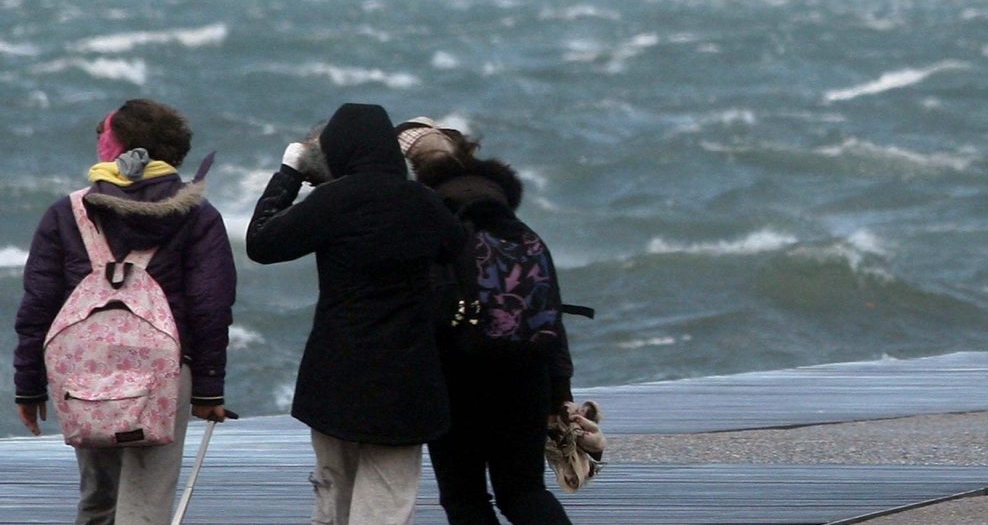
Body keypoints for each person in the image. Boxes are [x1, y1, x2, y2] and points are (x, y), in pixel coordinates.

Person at [13, 98, 237, 525]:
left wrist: (29, 385)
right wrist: (209, 390)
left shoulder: (68, 213)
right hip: (167, 373)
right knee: (147, 502)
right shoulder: (199, 216)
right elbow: (211, 306)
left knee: (98, 498)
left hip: (84, 371)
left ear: (115, 148)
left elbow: (38, 305)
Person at [246, 103, 464, 525]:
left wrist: (290, 173)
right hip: (407, 379)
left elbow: (261, 242)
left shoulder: (332, 201)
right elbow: (458, 254)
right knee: (387, 501)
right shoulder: (426, 204)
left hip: (336, 375)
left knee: (333, 490)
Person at [395, 117, 579, 525]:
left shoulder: (433, 227)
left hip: (457, 378)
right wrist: (560, 391)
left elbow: (425, 312)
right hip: (527, 375)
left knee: (465, 498)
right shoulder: (520, 230)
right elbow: (552, 312)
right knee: (525, 491)